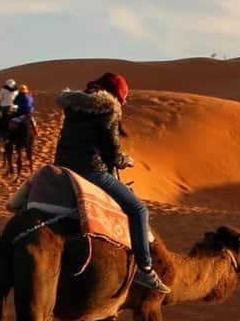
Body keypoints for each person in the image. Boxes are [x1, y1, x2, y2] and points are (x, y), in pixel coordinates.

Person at [53, 72, 169, 294]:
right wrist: (125, 160)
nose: (122, 104)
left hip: (63, 167)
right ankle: (145, 270)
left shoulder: (74, 106)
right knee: (138, 210)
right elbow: (111, 152)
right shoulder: (108, 109)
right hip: (91, 170)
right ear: (116, 96)